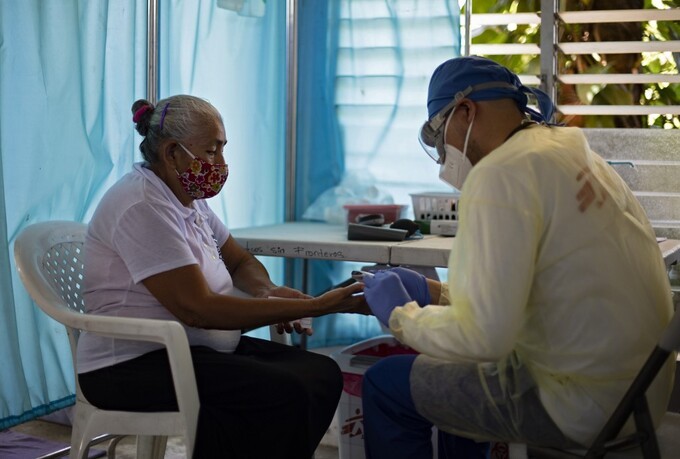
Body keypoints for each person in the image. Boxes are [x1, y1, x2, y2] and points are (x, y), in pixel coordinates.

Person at [360, 56, 675, 458]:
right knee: (452, 377)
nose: (443, 155)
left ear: (465, 111)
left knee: (386, 384)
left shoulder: (500, 173)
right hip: (640, 394)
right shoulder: (566, 149)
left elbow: (483, 339)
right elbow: (531, 287)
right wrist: (435, 292)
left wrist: (400, 317)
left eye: (440, 137)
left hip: (578, 404)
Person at [78, 94, 366, 458]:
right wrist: (317, 306)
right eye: (212, 151)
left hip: (191, 350)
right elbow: (197, 309)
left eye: (222, 150)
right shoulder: (143, 205)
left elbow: (239, 260)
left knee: (320, 374)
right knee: (279, 390)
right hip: (131, 365)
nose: (221, 163)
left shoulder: (188, 199)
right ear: (171, 153)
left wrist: (267, 292)